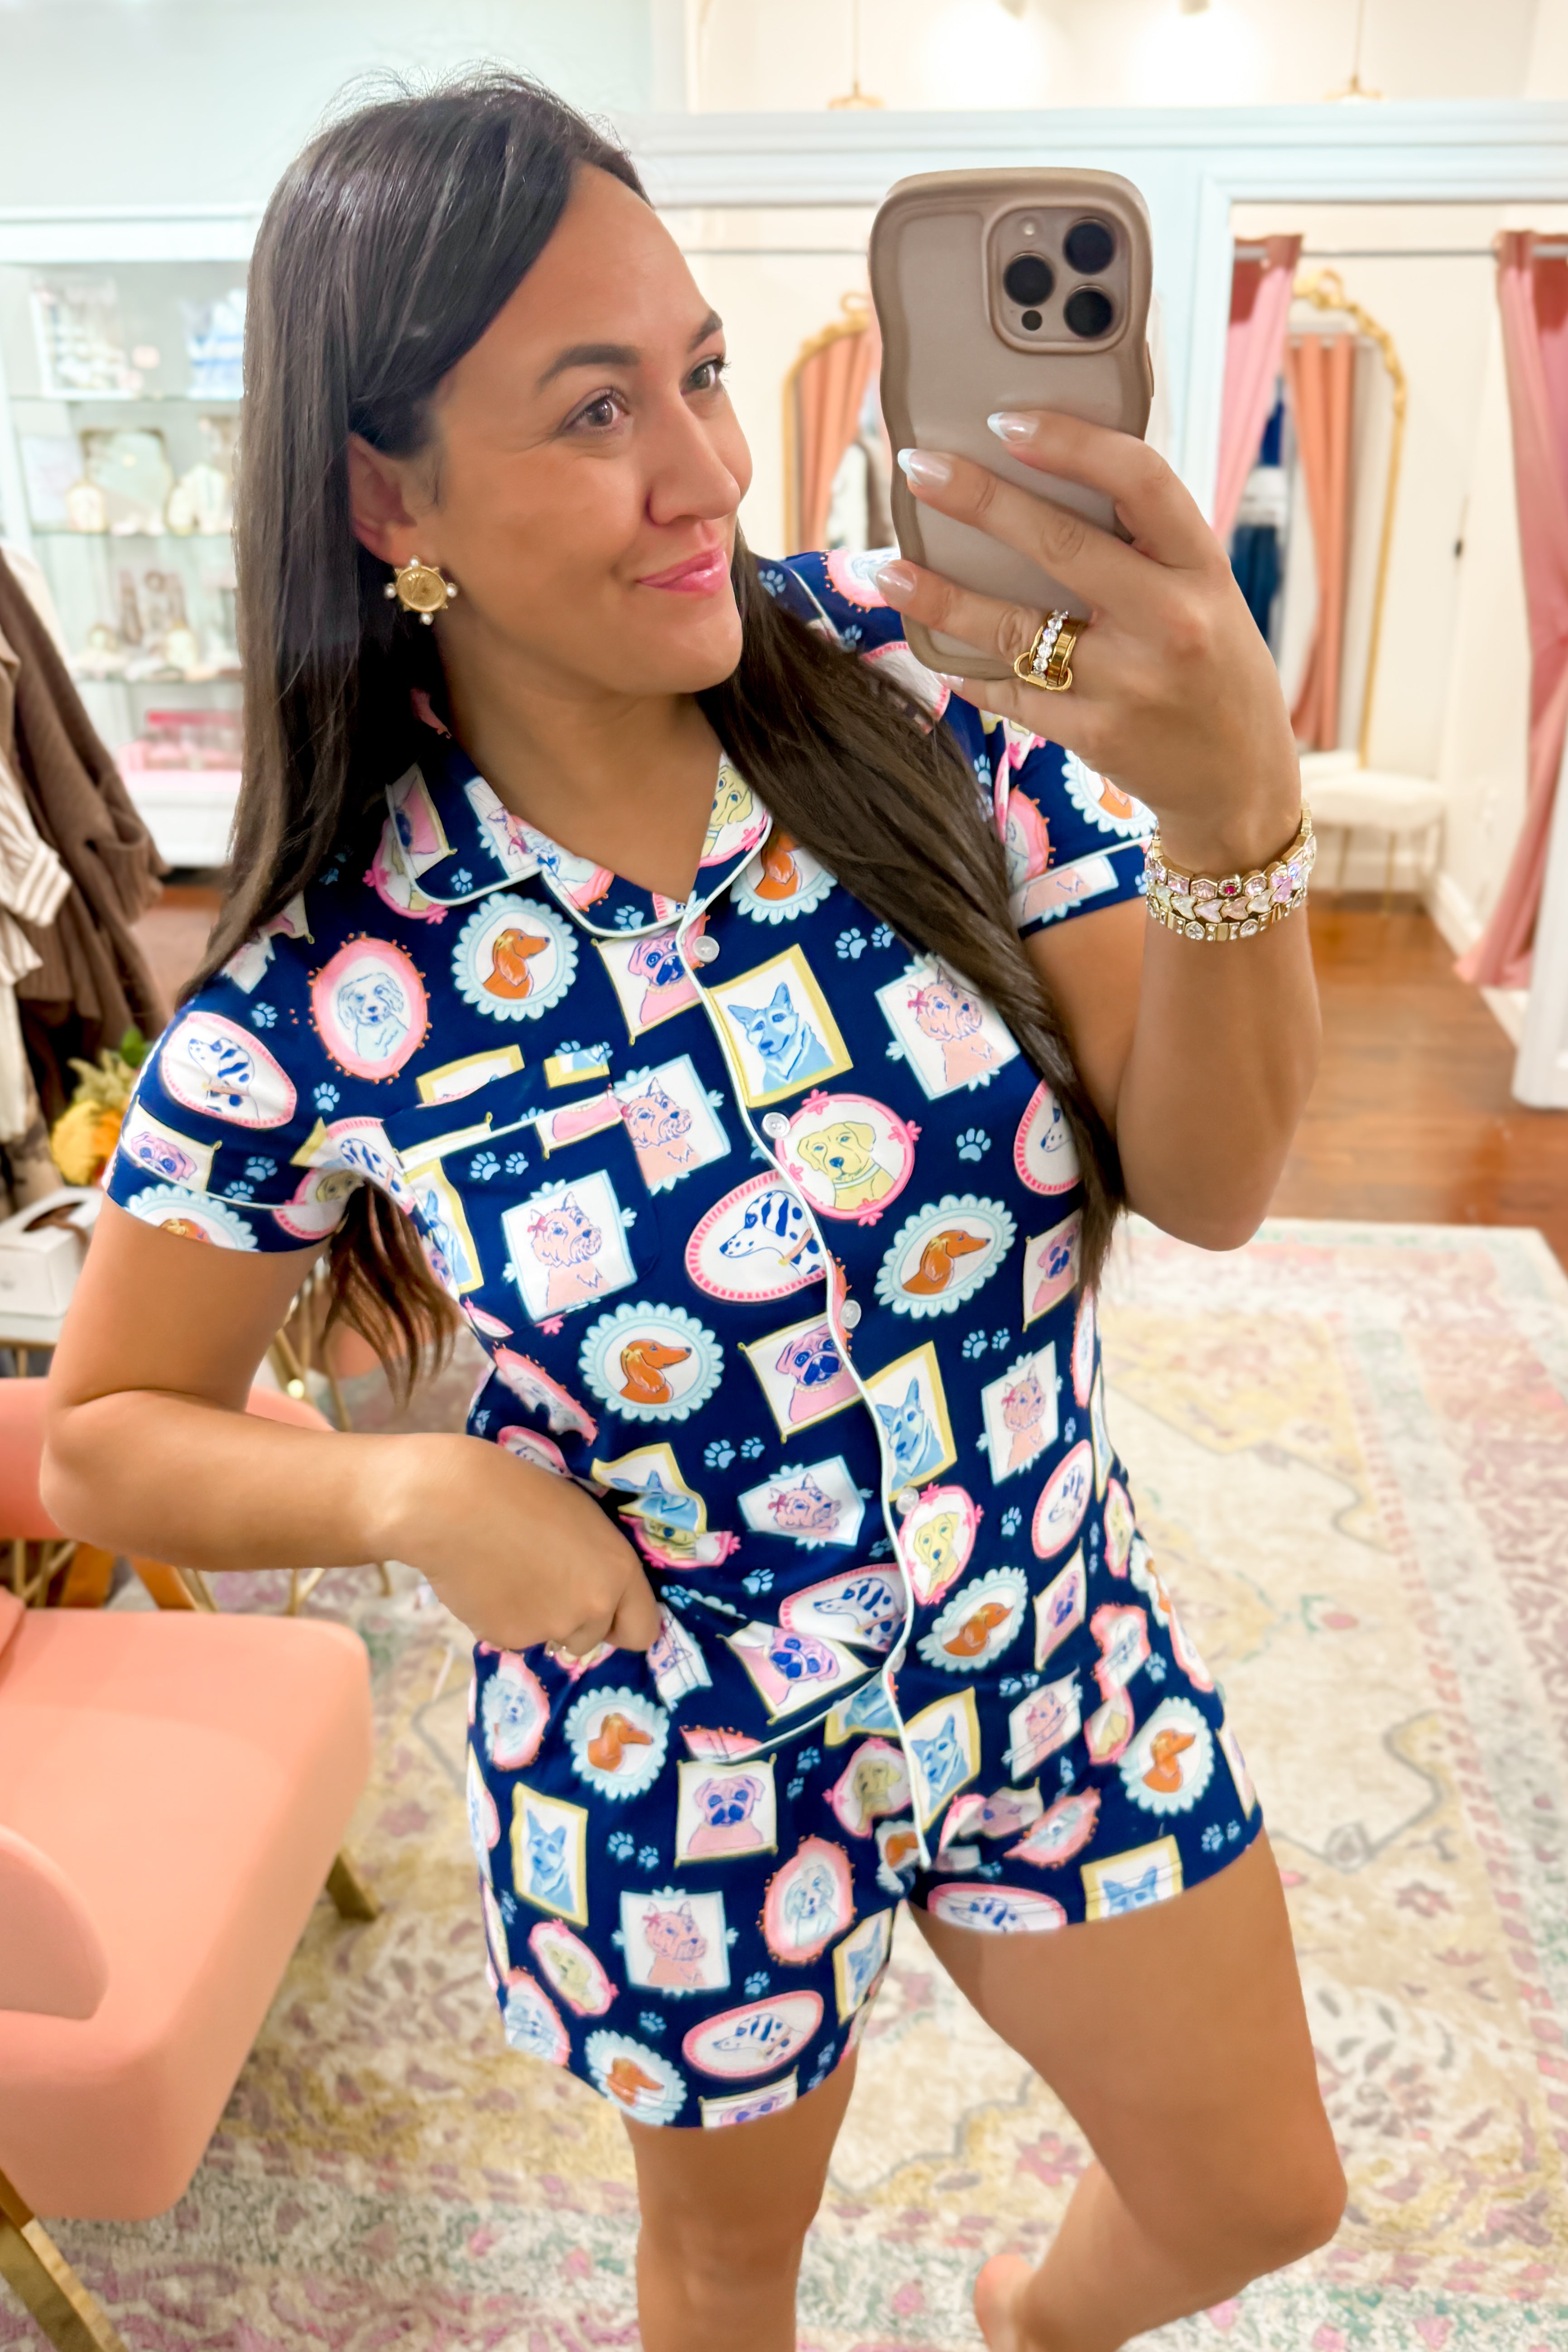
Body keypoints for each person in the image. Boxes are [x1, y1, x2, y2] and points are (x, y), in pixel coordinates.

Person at [42, 74, 1343, 2352]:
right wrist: (416, 1495)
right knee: (728, 2275)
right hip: (675, 1763)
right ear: (385, 495)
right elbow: (100, 1437)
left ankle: (1034, 2325)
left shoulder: (921, 681)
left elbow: (1212, 1187)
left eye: (704, 370)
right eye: (594, 409)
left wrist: (1232, 815)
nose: (708, 472)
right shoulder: (326, 986)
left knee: (1258, 2197)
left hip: (1049, 1650)